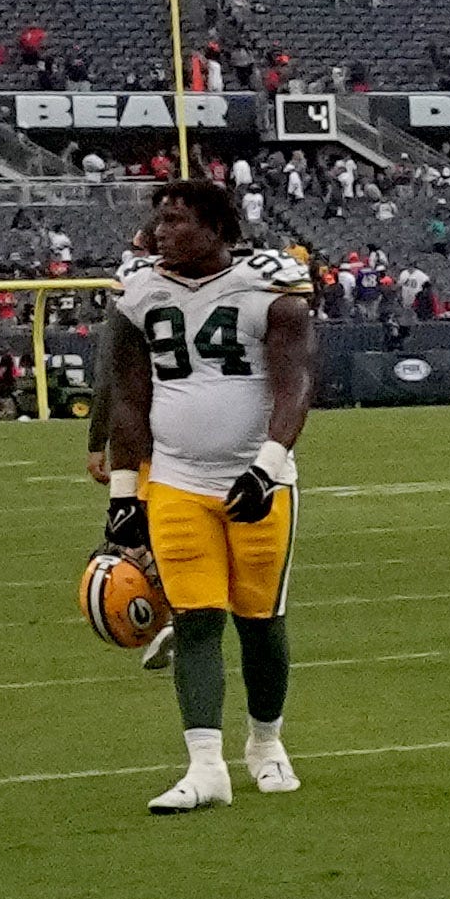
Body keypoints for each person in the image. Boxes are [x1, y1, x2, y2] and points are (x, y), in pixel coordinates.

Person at [96, 173, 315, 813]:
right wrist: (124, 492)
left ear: (217, 227)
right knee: (195, 621)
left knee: (260, 622)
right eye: (158, 221)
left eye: (177, 220)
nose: (161, 232)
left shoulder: (270, 286)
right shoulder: (139, 291)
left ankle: (267, 745)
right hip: (176, 480)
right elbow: (130, 396)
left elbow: (295, 383)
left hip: (256, 481)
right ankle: (205, 768)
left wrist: (269, 464)